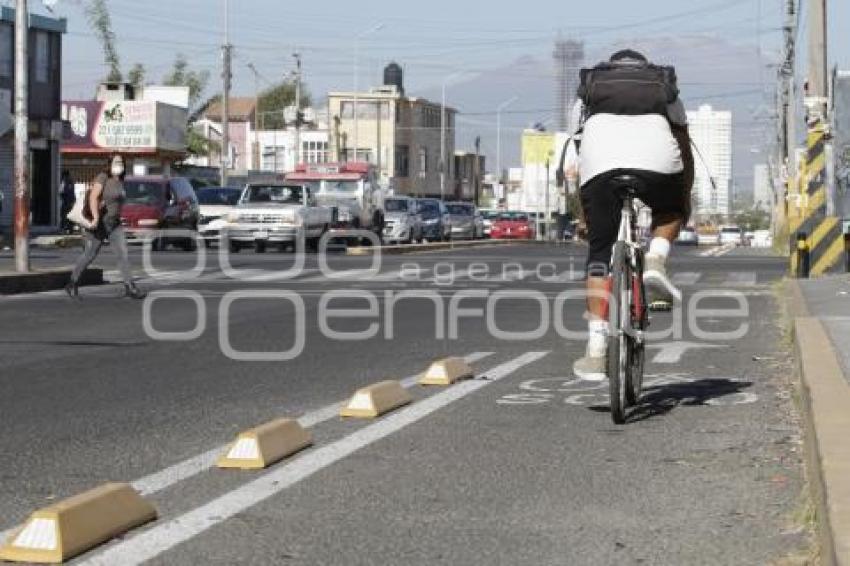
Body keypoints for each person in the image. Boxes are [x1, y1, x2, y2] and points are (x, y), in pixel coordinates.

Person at [568, 50, 695, 381]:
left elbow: (581, 154)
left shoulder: (589, 90)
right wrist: (683, 199)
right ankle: (654, 261)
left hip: (601, 166)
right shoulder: (664, 87)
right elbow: (682, 143)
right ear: (645, 69)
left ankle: (596, 349)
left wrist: (588, 216)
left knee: (599, 253)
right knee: (669, 210)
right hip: (658, 163)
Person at [65, 154, 146, 300]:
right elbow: (93, 197)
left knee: (123, 254)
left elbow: (117, 203)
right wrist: (95, 217)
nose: (119, 164)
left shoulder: (120, 180)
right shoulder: (103, 177)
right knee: (89, 255)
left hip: (115, 225)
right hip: (100, 224)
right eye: (116, 162)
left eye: (121, 162)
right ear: (109, 164)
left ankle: (130, 287)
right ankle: (72, 283)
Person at [60, 170, 76, 234]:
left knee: (64, 215)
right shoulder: (71, 181)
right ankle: (70, 229)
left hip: (66, 201)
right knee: (70, 215)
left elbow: (61, 191)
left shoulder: (64, 181)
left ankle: (63, 229)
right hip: (72, 201)